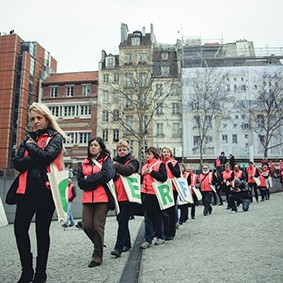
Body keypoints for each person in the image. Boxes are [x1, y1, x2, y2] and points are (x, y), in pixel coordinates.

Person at [13, 102, 67, 283]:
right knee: (20, 230)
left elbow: (47, 157)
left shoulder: (55, 137)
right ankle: (26, 270)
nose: (35, 122)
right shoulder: (28, 139)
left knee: (41, 232)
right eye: (32, 119)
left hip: (46, 193)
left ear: (46, 119)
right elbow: (17, 163)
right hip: (25, 192)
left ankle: (40, 272)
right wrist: (36, 153)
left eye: (38, 118)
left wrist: (31, 148)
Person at [77, 137, 115, 268]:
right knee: (87, 226)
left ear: (101, 147)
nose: (92, 147)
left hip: (102, 198)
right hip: (87, 199)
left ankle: (97, 256)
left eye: (95, 145)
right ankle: (99, 242)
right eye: (91, 145)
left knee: (98, 226)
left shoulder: (106, 160)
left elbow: (107, 174)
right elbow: (80, 182)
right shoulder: (84, 163)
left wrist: (89, 179)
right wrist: (92, 181)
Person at [111, 139, 139, 258]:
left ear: (128, 150)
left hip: (128, 196)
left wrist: (116, 167)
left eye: (124, 149)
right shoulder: (114, 162)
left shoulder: (133, 161)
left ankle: (118, 247)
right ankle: (127, 243)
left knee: (122, 221)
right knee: (121, 221)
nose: (121, 152)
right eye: (119, 150)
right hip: (117, 196)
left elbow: (127, 171)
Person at [140, 147, 167, 249]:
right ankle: (148, 239)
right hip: (146, 194)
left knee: (157, 216)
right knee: (147, 218)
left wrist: (151, 172)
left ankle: (160, 236)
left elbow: (164, 177)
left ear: (154, 155)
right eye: (146, 154)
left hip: (155, 194)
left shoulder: (160, 164)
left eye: (149, 154)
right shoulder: (145, 165)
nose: (147, 156)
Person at [160, 147, 180, 241]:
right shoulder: (160, 163)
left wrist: (171, 166)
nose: (166, 153)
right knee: (164, 211)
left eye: (167, 152)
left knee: (171, 211)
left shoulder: (174, 163)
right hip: (162, 188)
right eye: (164, 152)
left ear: (170, 153)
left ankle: (171, 232)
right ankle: (164, 230)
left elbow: (177, 174)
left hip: (172, 188)